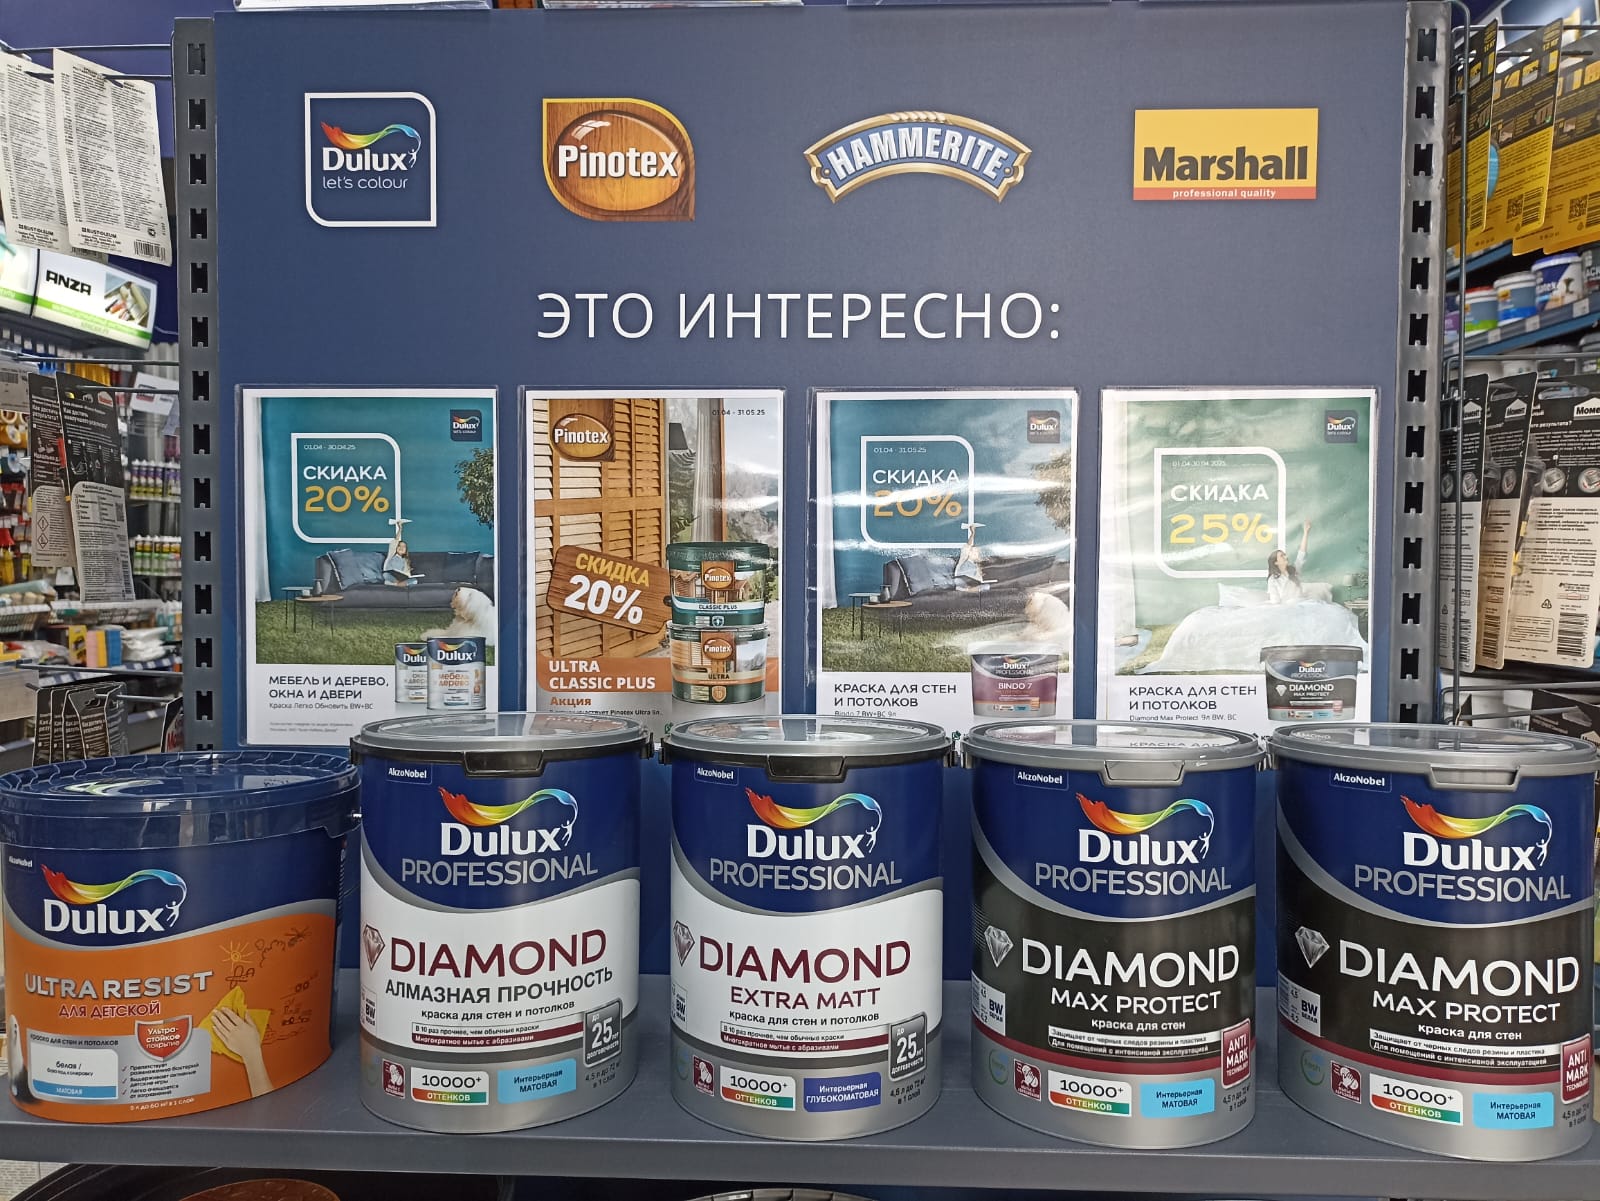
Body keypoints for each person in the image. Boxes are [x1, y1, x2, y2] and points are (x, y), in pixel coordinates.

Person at [1266, 521, 1332, 604]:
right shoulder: (1273, 580)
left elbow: (1301, 554)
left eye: (1285, 555)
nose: (1286, 557)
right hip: (1287, 607)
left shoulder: (1294, 570)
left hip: (1301, 603)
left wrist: (1305, 533)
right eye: (1282, 556)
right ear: (1276, 562)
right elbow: (1275, 601)